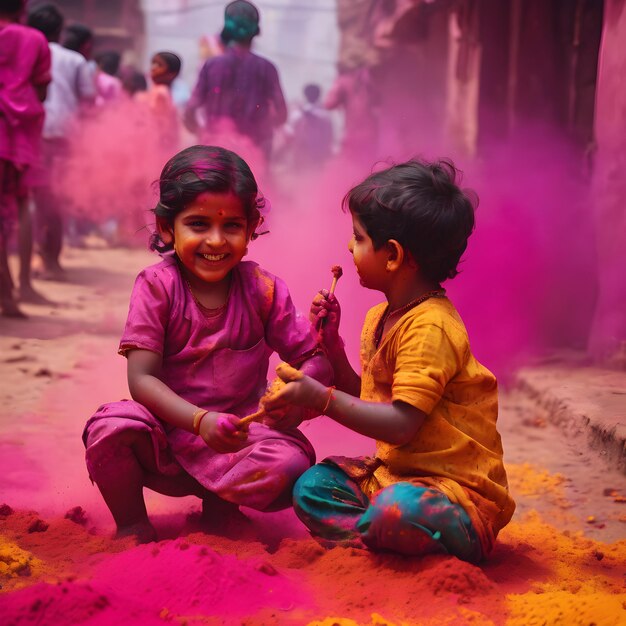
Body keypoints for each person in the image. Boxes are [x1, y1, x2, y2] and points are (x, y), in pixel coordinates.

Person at [263, 159, 516, 563]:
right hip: (396, 478)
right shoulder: (380, 318)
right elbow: (368, 398)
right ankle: (384, 542)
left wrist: (321, 398)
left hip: (455, 496)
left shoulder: (430, 327)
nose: (349, 247)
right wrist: (333, 349)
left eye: (359, 238)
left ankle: (392, 536)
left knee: (398, 510)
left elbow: (399, 425)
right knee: (313, 486)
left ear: (394, 255)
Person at [82, 145, 332, 542]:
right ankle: (132, 525)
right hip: (165, 441)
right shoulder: (156, 287)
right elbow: (141, 380)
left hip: (241, 441)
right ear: (167, 228)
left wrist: (297, 400)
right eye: (198, 224)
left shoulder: (263, 289)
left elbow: (314, 361)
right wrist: (200, 421)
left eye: (231, 226)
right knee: (109, 429)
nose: (216, 241)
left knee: (292, 466)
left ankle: (221, 510)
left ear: (251, 229)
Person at [28, 3, 96, 280]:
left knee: (29, 201)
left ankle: (32, 258)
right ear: (59, 30)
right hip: (63, 138)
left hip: (29, 133)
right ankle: (50, 260)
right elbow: (89, 100)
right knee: (55, 200)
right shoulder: (75, 60)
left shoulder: (24, 52)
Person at [184, 0, 287, 159]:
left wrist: (203, 133)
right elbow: (282, 115)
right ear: (256, 31)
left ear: (227, 30)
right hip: (255, 155)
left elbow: (190, 111)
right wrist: (262, 129)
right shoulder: (267, 68)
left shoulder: (211, 66)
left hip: (215, 152)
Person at [0, 0, 51, 316]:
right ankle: (11, 290)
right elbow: (42, 90)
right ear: (23, 8)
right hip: (13, 140)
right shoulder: (34, 39)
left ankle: (6, 291)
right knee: (15, 209)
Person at [288, 83, 334, 169]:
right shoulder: (325, 116)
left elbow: (290, 134)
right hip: (318, 155)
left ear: (305, 95)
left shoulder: (297, 115)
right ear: (319, 95)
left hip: (301, 154)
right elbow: (329, 137)